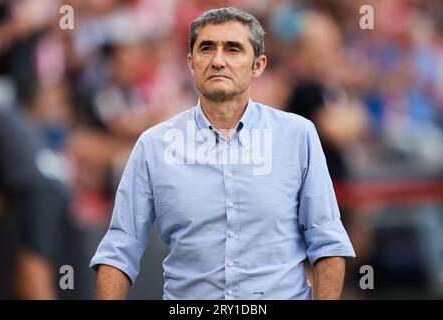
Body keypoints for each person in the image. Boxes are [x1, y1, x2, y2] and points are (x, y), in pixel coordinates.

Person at [90, 7, 355, 300]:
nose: (218, 60)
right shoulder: (154, 145)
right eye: (206, 49)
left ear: (258, 65)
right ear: (191, 64)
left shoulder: (298, 136)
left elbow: (328, 244)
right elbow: (119, 250)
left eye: (233, 49)